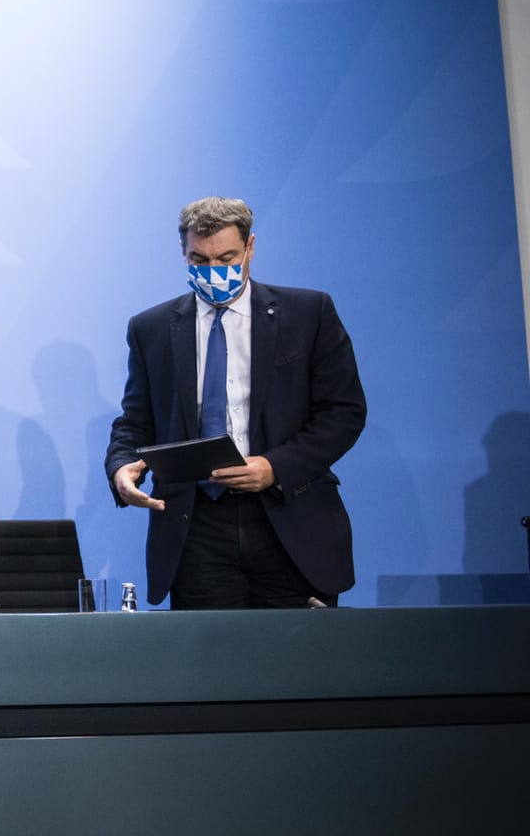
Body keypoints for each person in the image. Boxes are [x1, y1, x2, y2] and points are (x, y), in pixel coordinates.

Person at [105, 198, 367, 609]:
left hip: (287, 515)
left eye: (226, 257)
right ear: (183, 252)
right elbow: (135, 421)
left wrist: (274, 467)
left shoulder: (308, 313)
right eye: (199, 259)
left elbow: (343, 412)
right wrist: (121, 467)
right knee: (211, 669)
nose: (213, 271)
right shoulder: (150, 328)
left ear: (250, 247)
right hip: (196, 527)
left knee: (297, 667)